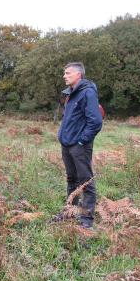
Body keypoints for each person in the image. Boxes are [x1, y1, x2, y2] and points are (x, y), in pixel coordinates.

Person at [54, 62, 103, 228]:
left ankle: (86, 219)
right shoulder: (71, 94)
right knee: (71, 179)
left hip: (79, 145)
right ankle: (69, 212)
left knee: (85, 181)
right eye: (64, 73)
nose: (64, 75)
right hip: (67, 144)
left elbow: (95, 121)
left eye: (68, 73)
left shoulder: (87, 92)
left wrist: (82, 141)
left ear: (78, 75)